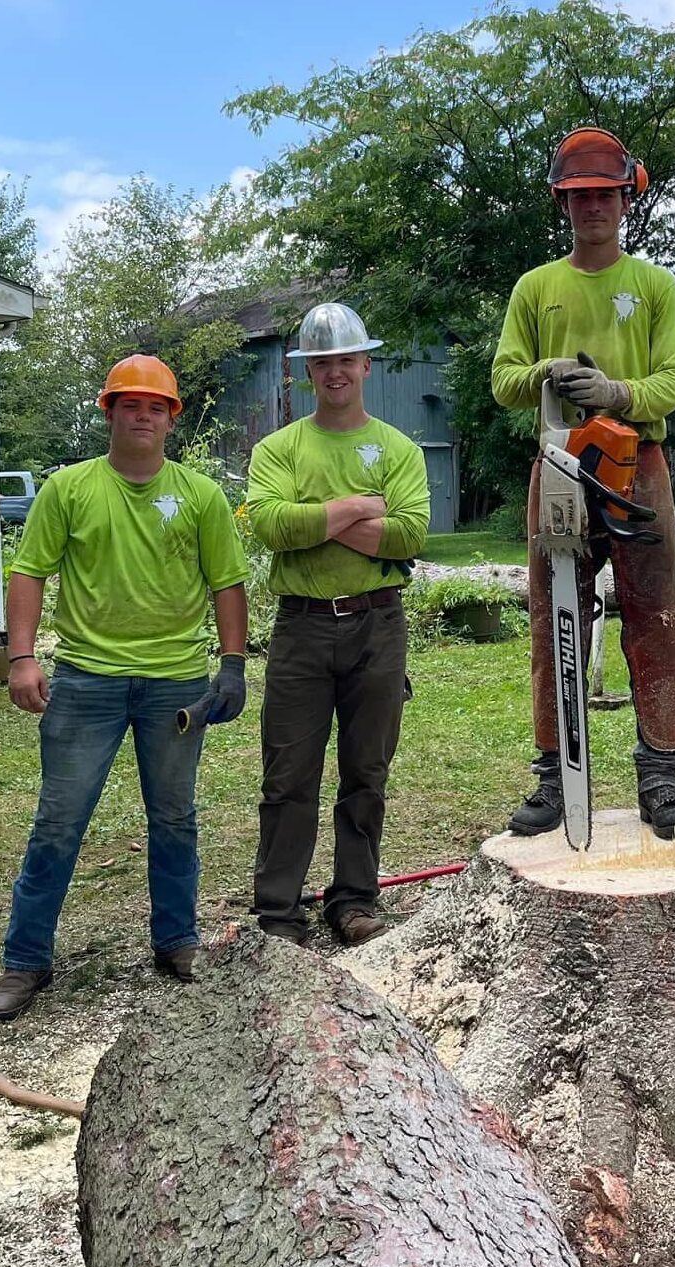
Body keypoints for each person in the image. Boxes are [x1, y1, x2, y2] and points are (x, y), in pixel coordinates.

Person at [0, 355, 250, 1021]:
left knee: (175, 817)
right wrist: (21, 658)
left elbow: (227, 583)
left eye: (155, 406)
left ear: (171, 419)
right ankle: (26, 958)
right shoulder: (68, 489)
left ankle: (177, 941)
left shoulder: (199, 496)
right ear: (109, 411)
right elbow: (29, 573)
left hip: (177, 683)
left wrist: (235, 664)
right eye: (130, 403)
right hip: (85, 678)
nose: (142, 415)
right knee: (58, 821)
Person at [491, 126, 675, 839]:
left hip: (637, 464)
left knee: (656, 613)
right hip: (556, 462)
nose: (593, 209)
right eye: (579, 198)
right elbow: (503, 378)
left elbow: (673, 382)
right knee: (554, 616)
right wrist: (547, 373)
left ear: (625, 199)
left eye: (604, 196)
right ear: (562, 203)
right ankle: (555, 772)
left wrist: (615, 392)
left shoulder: (654, 286)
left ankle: (662, 772)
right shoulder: (536, 288)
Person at [246, 303, 430, 947]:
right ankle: (279, 910)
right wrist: (357, 508)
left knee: (366, 770)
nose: (334, 372)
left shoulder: (399, 448)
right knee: (288, 773)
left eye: (345, 360)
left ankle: (353, 900)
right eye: (320, 362)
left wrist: (317, 522)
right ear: (305, 372)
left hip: (378, 627)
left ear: (365, 365)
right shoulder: (280, 448)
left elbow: (409, 534)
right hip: (301, 628)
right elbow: (271, 526)